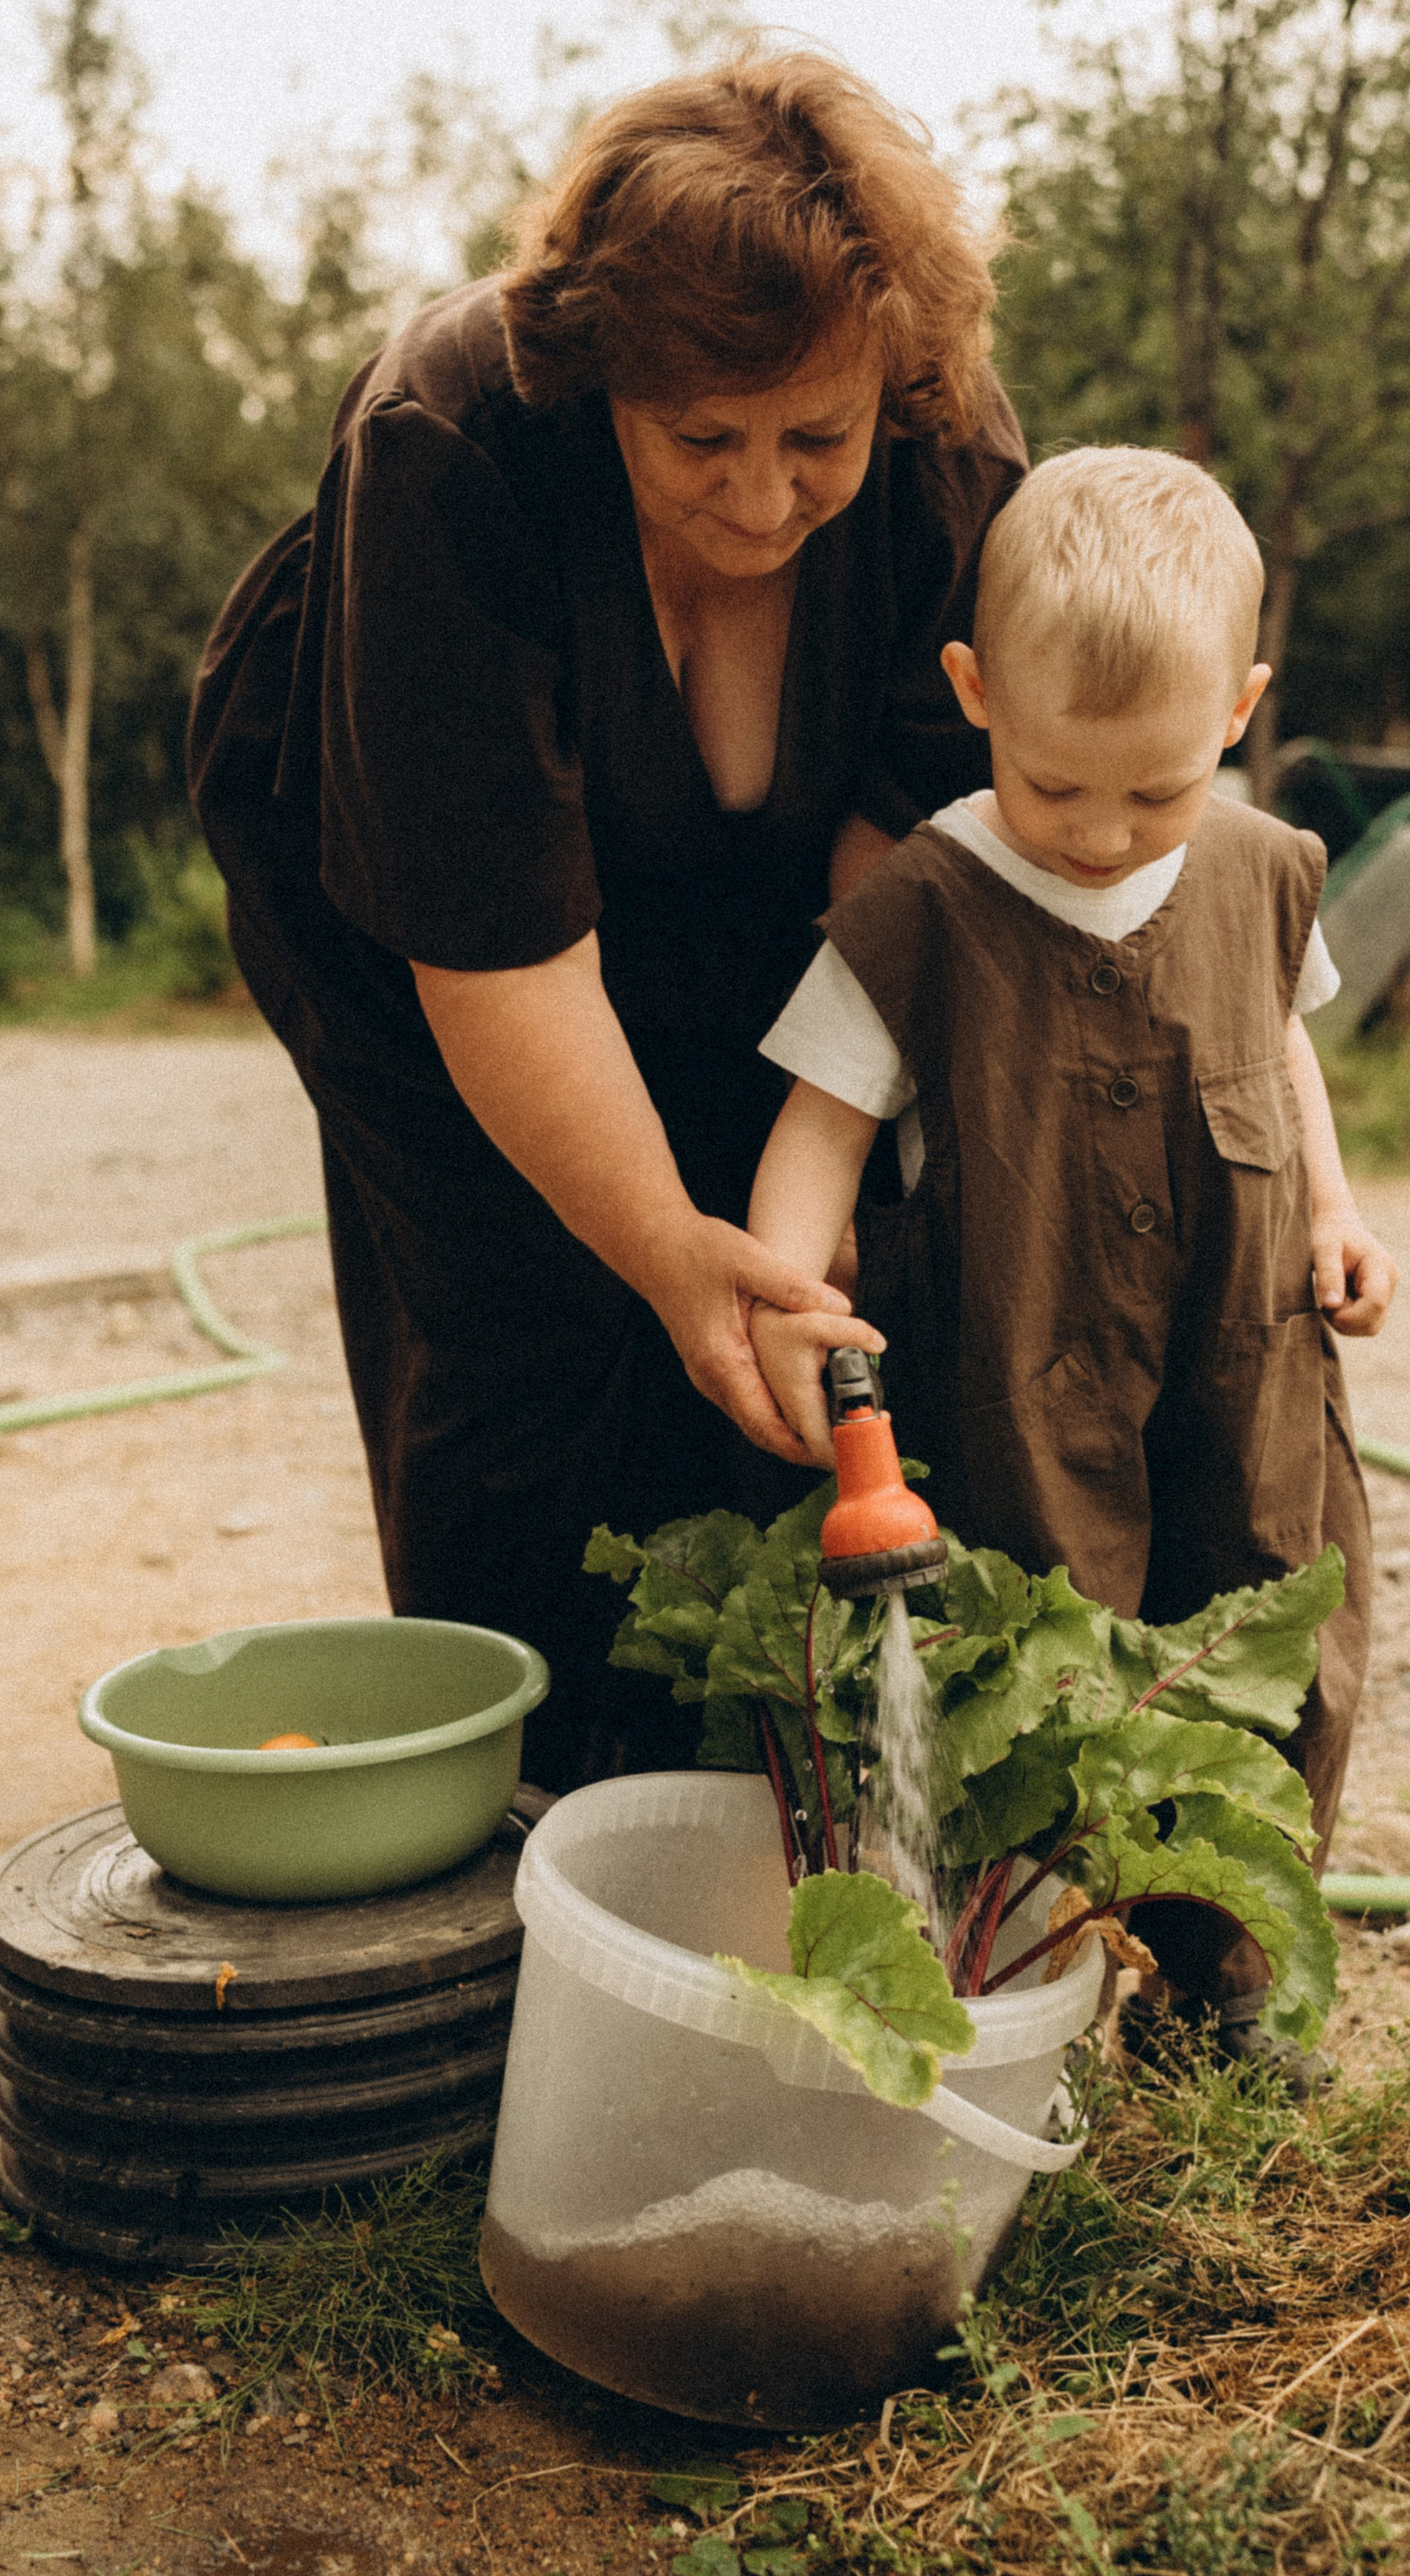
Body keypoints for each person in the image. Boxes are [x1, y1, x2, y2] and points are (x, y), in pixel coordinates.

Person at [187, 52, 1026, 1793]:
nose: (760, 495)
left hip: (763, 889)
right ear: (601, 382)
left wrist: (796, 1188)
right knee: (531, 1298)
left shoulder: (950, 460)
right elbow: (501, 957)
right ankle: (525, 1815)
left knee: (780, 1254)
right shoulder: (450, 443)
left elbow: (878, 896)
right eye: (698, 438)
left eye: (818, 439)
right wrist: (656, 1246)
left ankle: (743, 1786)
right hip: (412, 900)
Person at [746, 448, 1397, 2066]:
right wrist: (781, 1293)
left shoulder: (1259, 870)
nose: (1103, 831)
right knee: (1024, 1666)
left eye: (1154, 791)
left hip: (1241, 1358)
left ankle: (1219, 1985)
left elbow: (1287, 1046)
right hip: (1011, 1381)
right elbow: (820, 1126)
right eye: (1056, 788)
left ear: (1238, 707)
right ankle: (1014, 1995)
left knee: (1265, 1643)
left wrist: (1332, 1203)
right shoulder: (919, 908)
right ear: (974, 694)